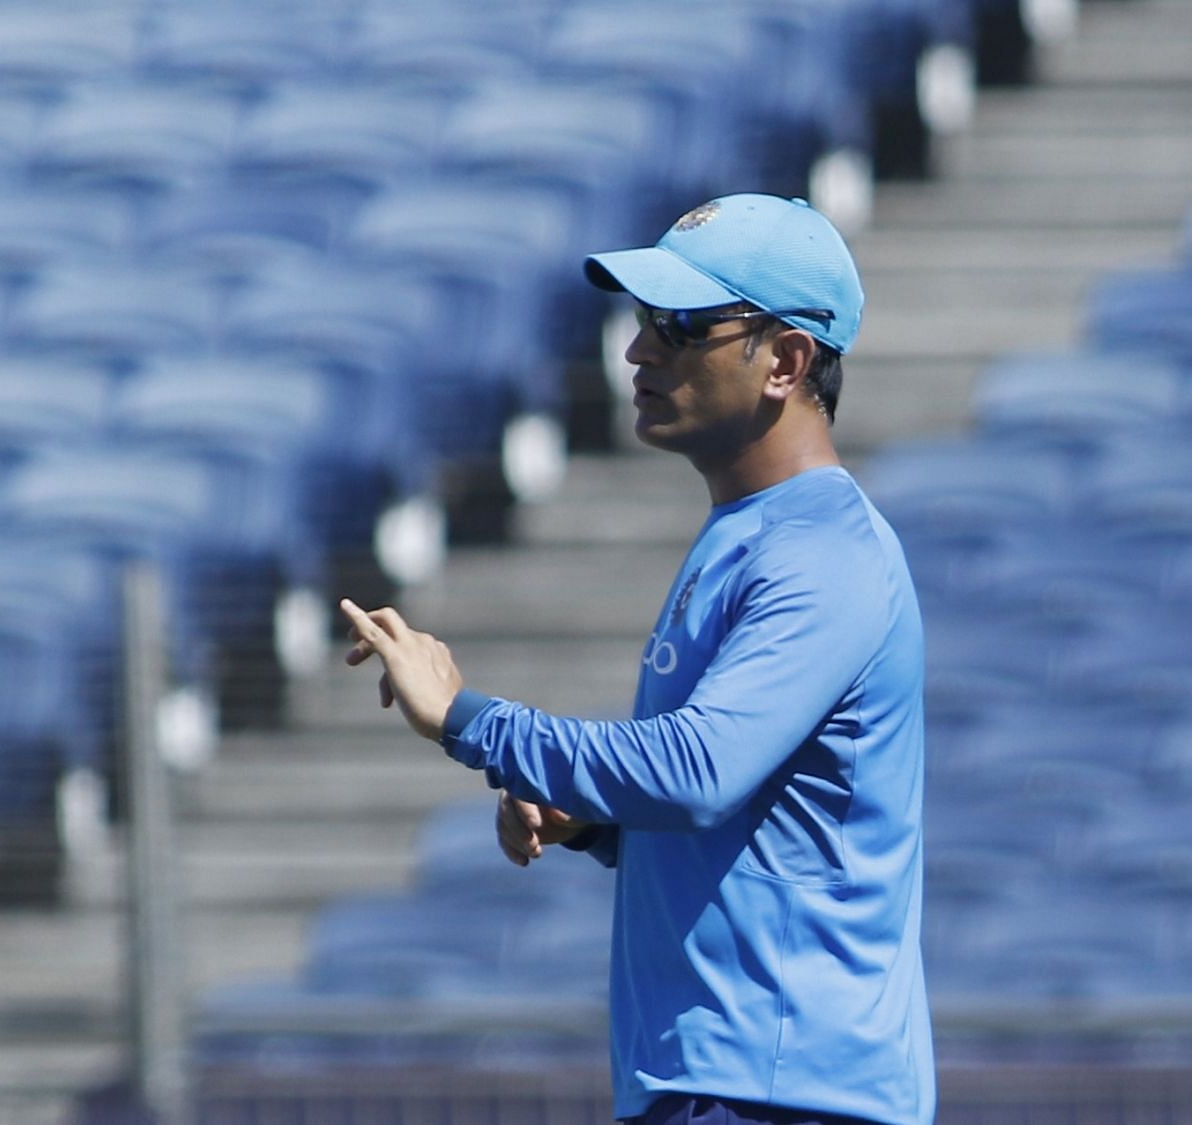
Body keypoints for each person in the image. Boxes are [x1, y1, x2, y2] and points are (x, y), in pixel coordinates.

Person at [340, 194, 933, 1125]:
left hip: (783, 1091)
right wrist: (598, 824)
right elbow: (745, 816)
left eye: (684, 326)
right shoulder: (751, 532)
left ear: (786, 361)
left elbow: (698, 770)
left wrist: (465, 716)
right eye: (645, 322)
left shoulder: (823, 550)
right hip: (731, 1082)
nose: (639, 351)